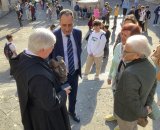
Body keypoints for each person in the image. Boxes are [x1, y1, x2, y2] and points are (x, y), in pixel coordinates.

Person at [10, 28, 71, 130]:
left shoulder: (24, 56)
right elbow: (51, 103)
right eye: (52, 46)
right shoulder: (39, 77)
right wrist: (64, 92)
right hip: (47, 120)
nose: (53, 48)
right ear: (42, 49)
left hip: (33, 111)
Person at [114, 35, 156, 130]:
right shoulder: (151, 65)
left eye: (126, 51)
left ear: (137, 55)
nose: (122, 53)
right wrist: (148, 105)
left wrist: (145, 112)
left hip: (126, 115)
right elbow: (152, 88)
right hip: (138, 111)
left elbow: (131, 101)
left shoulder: (129, 74)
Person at [105, 23, 141, 130]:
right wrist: (110, 76)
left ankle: (122, 125)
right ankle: (116, 116)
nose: (123, 37)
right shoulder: (118, 46)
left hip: (129, 86)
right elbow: (114, 63)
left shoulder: (137, 53)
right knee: (116, 100)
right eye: (122, 34)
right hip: (117, 80)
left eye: (126, 35)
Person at [49, 9, 82, 123]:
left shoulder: (78, 33)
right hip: (60, 76)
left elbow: (78, 49)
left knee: (73, 96)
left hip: (74, 72)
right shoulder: (53, 36)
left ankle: (72, 112)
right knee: (61, 97)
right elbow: (49, 57)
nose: (67, 28)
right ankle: (62, 117)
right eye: (64, 25)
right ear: (59, 22)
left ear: (74, 21)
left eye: (70, 25)